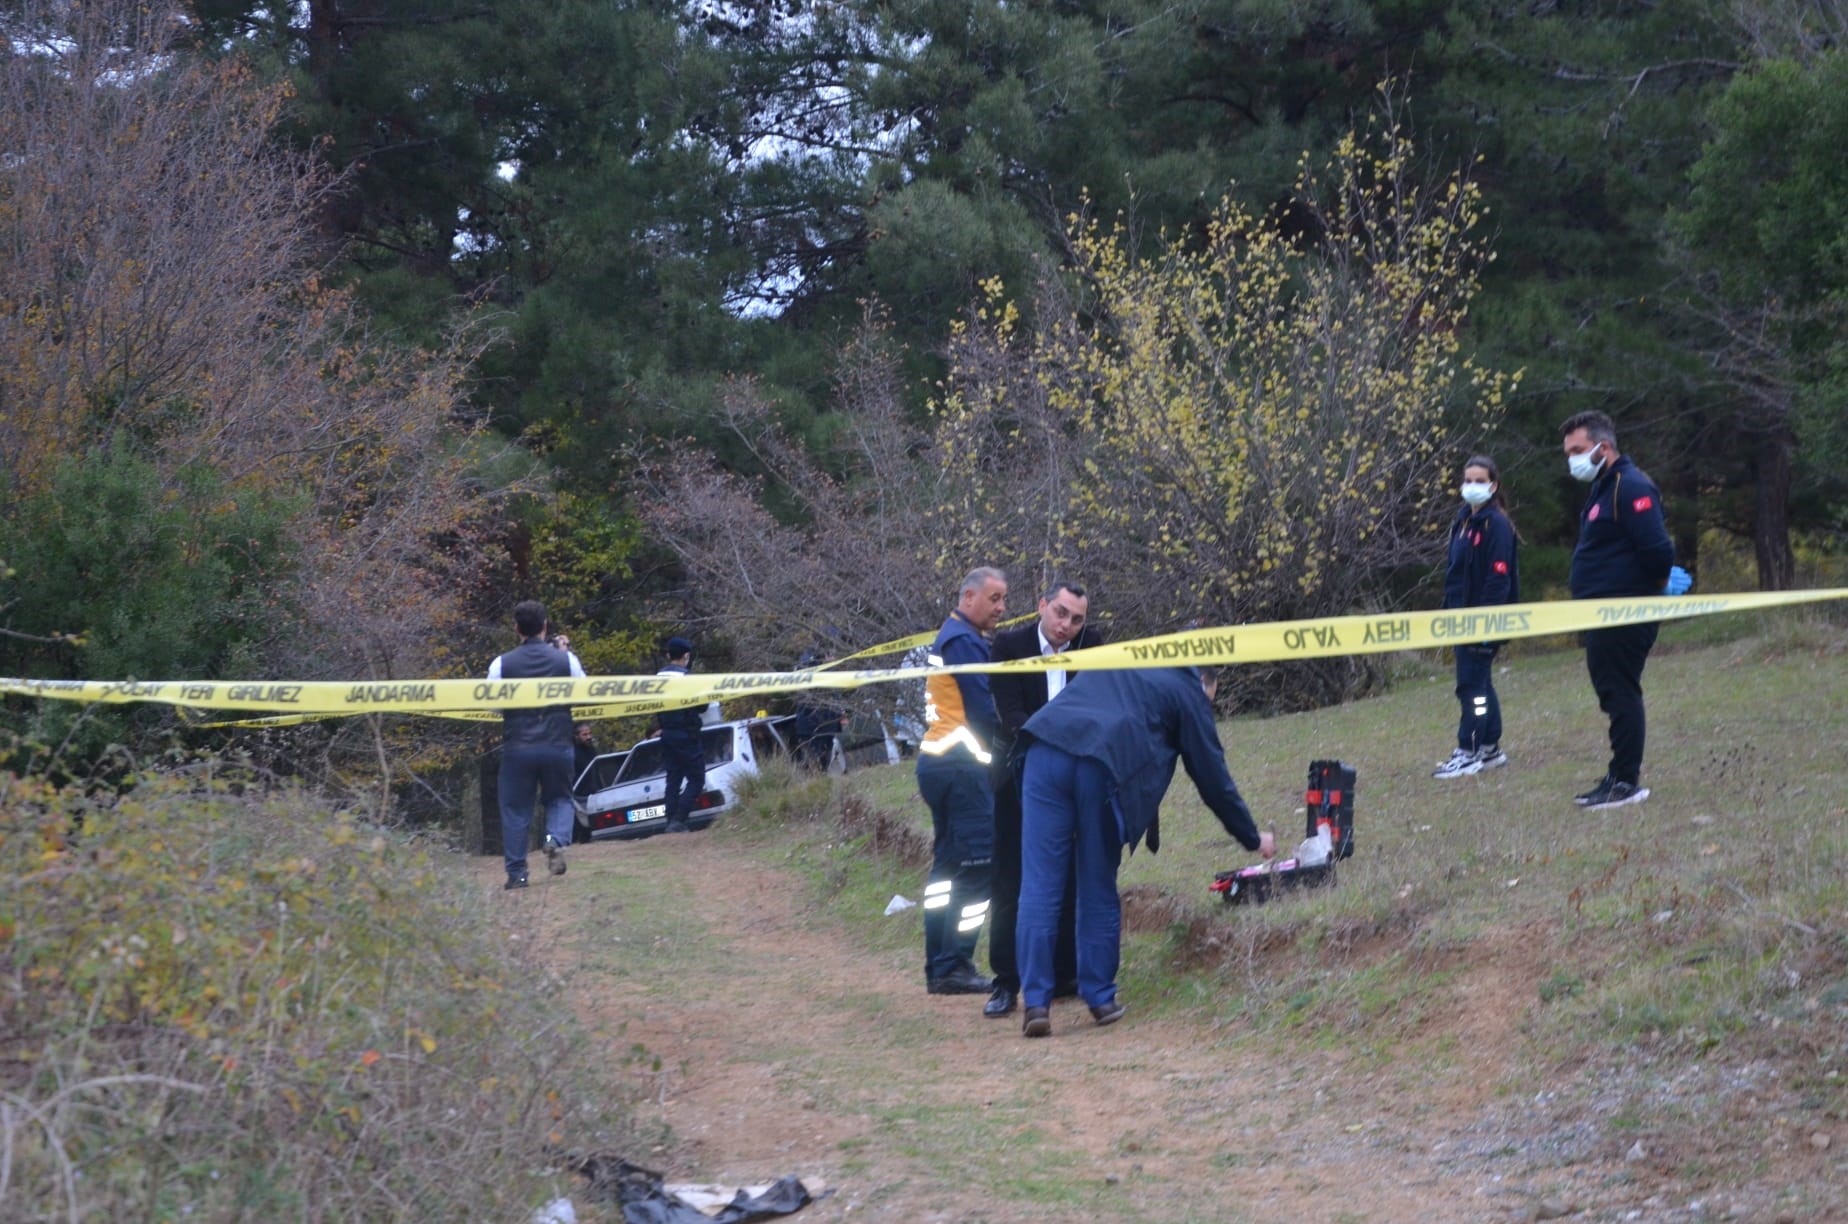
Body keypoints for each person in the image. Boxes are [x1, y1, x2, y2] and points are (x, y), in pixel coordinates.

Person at [1016, 667, 1275, 1036]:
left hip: (1044, 748)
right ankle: (1100, 998)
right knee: (1096, 882)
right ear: (1207, 682)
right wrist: (1252, 837)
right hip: (1101, 762)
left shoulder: (1127, 661)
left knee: (1039, 884)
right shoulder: (1189, 691)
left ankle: (1036, 1004)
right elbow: (1212, 777)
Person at [982, 581, 1102, 1018]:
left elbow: (1096, 708)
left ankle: (1063, 973)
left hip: (1073, 776)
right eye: (1060, 613)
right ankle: (1005, 981)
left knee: (1068, 875)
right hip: (1018, 774)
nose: (1066, 625)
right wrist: (1057, 741)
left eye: (1076, 619)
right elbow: (1011, 713)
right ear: (1042, 606)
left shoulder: (1093, 646)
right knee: (1010, 878)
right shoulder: (1008, 646)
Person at [1561, 411, 1691, 810]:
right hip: (1600, 613)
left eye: (1578, 450)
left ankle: (1625, 782)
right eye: (1568, 453)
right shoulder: (1603, 488)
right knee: (1611, 693)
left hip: (1625, 613)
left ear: (1604, 447)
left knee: (1621, 693)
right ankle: (1617, 774)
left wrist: (1657, 587)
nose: (1572, 459)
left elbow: (1658, 550)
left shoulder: (1630, 486)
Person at [916, 567, 1009, 995]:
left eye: (1004, 599)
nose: (1001, 607)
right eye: (994, 598)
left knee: (947, 871)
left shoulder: (952, 634)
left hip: (939, 762)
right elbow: (985, 710)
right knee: (977, 869)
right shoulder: (964, 641)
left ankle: (940, 966)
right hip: (961, 767)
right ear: (968, 597)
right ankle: (955, 963)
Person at [1432, 456, 1520, 779]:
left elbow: (1499, 577)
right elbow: (1455, 574)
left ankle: (1469, 749)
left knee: (1471, 687)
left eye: (1480, 481)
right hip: (1459, 618)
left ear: (1493, 486)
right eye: (1468, 480)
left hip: (1482, 621)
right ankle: (1490, 747)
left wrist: (1486, 622)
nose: (1472, 486)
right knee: (1480, 682)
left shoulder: (1497, 525)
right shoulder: (1463, 522)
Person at [488, 600, 586, 889]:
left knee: (516, 810)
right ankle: (555, 839)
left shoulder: (501, 664)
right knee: (560, 798)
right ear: (545, 626)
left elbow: (493, 706)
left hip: (518, 746)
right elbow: (583, 693)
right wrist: (564, 654)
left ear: (516, 628)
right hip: (557, 744)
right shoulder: (567, 661)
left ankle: (517, 874)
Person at [655, 637, 706, 833]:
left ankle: (670, 822)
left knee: (673, 779)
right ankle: (679, 818)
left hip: (666, 733)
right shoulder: (687, 678)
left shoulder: (657, 677)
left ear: (669, 655)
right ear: (686, 656)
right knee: (697, 779)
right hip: (686, 733)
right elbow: (702, 706)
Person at [572, 722, 600, 796]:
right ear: (576, 736)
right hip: (579, 795)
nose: (589, 737)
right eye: (584, 734)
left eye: (590, 733)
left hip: (595, 793)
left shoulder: (591, 749)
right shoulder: (571, 753)